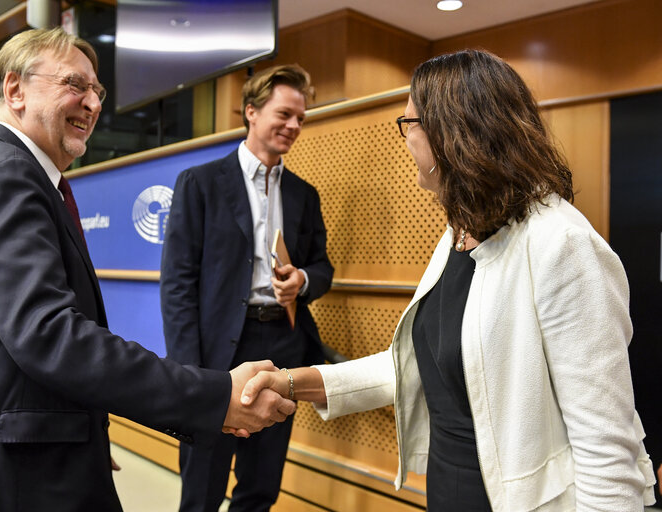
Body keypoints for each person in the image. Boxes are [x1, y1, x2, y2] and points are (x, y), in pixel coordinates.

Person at [241, 49, 657, 511]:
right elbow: (422, 364)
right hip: (449, 486)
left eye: (409, 125)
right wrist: (292, 383)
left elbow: (607, 449)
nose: (405, 141)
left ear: (452, 134)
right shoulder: (460, 232)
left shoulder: (563, 244)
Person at [0, 27, 296, 512]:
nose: (93, 104)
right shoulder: (6, 177)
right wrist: (215, 394)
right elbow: (50, 336)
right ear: (15, 90)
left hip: (28, 456)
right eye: (75, 85)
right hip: (11, 477)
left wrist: (86, 431)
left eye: (98, 91)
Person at [160, 64, 334, 512]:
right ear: (251, 112)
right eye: (284, 114)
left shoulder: (304, 195)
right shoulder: (199, 184)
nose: (294, 126)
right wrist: (189, 373)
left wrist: (303, 281)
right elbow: (178, 284)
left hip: (283, 344)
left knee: (261, 485)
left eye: (301, 117)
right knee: (201, 485)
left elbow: (322, 268)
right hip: (217, 352)